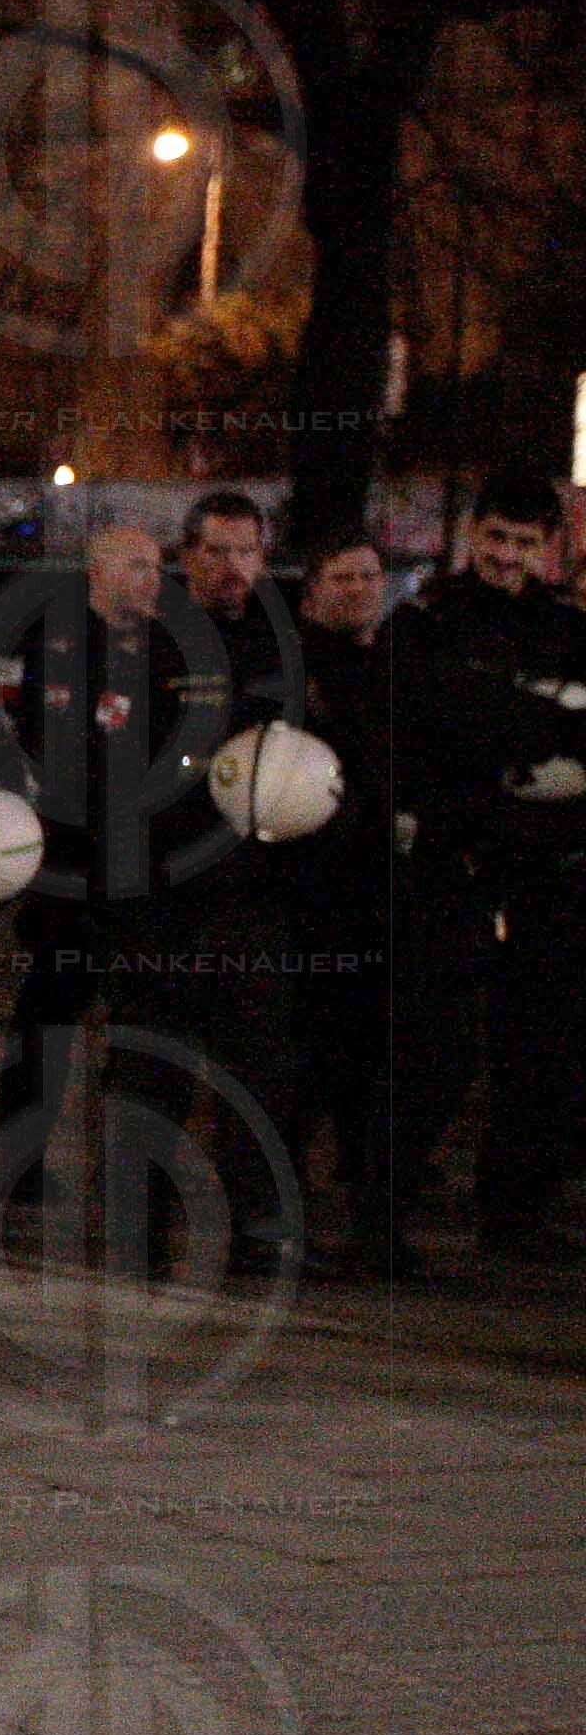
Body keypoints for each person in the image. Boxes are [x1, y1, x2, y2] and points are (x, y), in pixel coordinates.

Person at [1, 511, 307, 1278]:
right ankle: (139, 1235)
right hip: (155, 898)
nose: (233, 566)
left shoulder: (281, 648)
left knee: (259, 1071)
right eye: (217, 551)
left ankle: (258, 1237)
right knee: (148, 1068)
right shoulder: (138, 646)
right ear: (189, 561)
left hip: (251, 898)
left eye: (248, 551)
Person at [402, 465, 586, 1263]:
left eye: (524, 542)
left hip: (547, 875)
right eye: (496, 538)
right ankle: (389, 1208)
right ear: (473, 535)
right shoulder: (429, 620)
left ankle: (514, 1213)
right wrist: (547, 728)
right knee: (432, 1050)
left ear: (549, 548)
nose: (507, 556)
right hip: (456, 868)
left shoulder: (570, 631)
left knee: (540, 1053)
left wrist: (505, 735)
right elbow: (441, 719)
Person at [287, 528, 478, 1277]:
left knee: (415, 1060)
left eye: (371, 576)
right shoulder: (299, 672)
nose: (361, 589)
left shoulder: (404, 666)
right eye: (342, 576)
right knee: (319, 1065)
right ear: (312, 591)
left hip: (407, 896)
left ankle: (378, 1222)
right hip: (329, 898)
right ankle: (290, 1226)